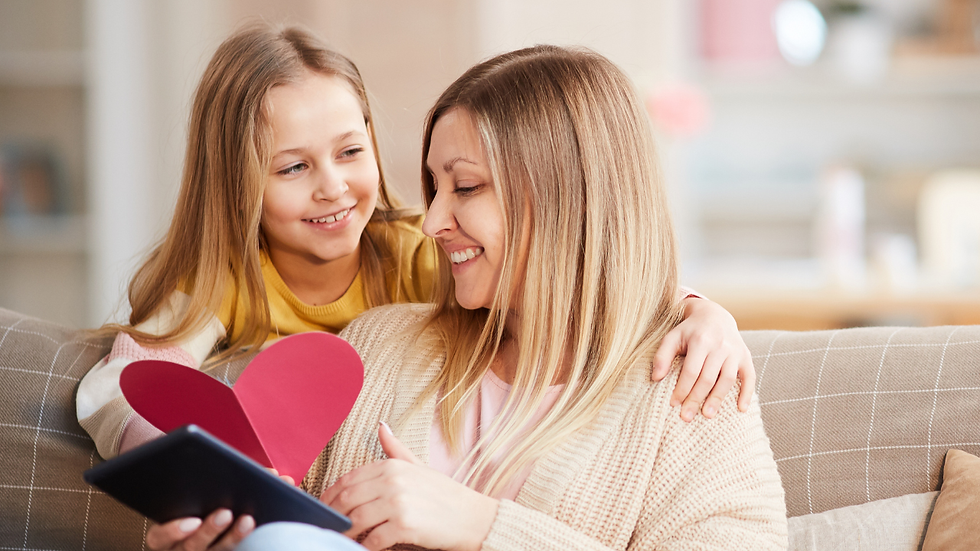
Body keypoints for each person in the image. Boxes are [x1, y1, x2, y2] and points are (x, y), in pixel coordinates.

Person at [149, 44, 787, 550]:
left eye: (468, 187)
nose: (429, 223)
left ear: (569, 197)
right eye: (433, 187)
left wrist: (482, 527)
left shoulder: (693, 390)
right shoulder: (377, 346)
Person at [76, 21, 757, 468]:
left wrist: (698, 310)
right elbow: (124, 387)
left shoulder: (415, 248)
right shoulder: (220, 278)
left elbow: (573, 268)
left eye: (351, 151)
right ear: (236, 184)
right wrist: (173, 462)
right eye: (292, 167)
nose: (334, 187)